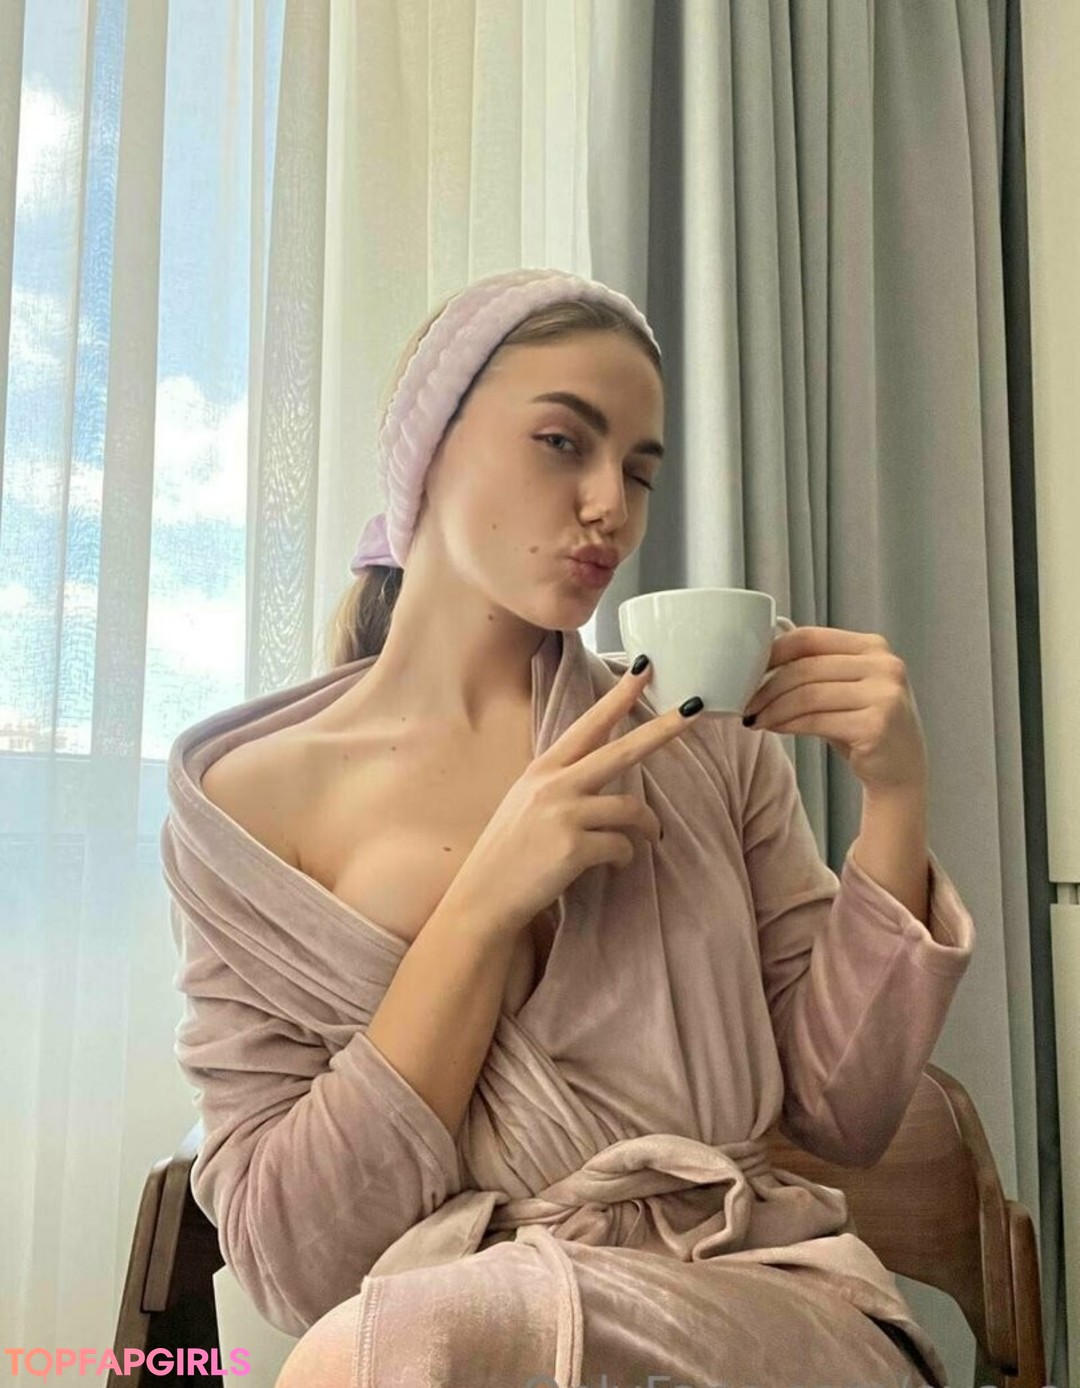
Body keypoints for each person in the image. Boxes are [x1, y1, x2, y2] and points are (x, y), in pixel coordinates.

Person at [163, 267, 975, 1388]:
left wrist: (896, 800)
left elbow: (843, 1112)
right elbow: (300, 1259)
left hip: (763, 1305)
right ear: (426, 449)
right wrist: (482, 908)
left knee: (382, 1352)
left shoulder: (702, 741)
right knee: (387, 1346)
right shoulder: (247, 810)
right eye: (562, 442)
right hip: (455, 1333)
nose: (611, 508)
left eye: (639, 471)